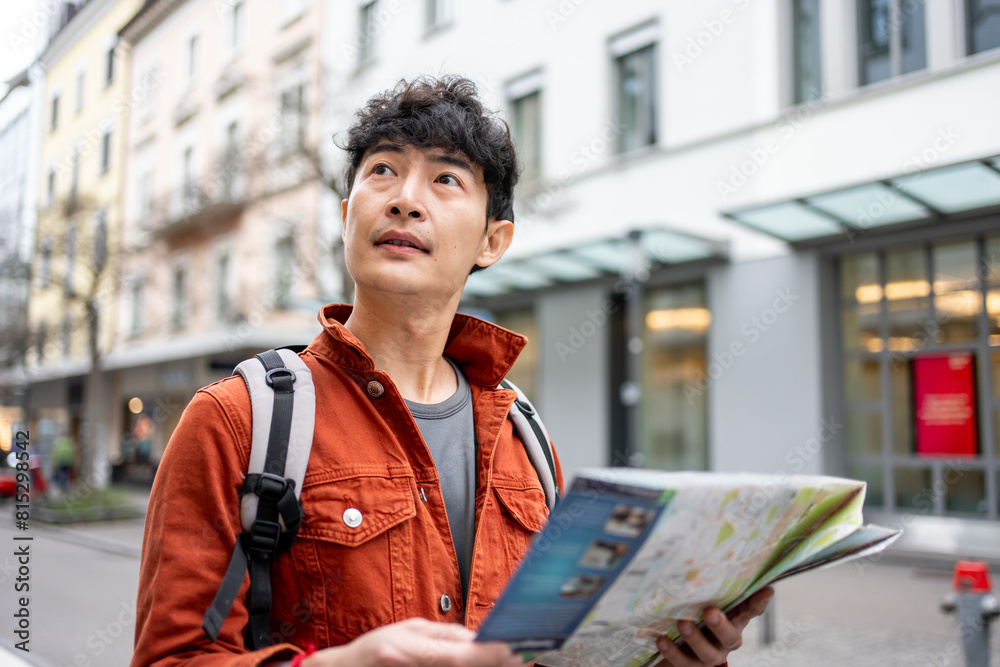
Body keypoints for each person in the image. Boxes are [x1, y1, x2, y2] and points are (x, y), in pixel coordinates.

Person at [130, 75, 771, 667]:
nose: (406, 200)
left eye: (446, 180)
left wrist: (670, 656)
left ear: (493, 242)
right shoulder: (241, 420)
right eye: (383, 171)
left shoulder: (524, 439)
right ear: (347, 212)